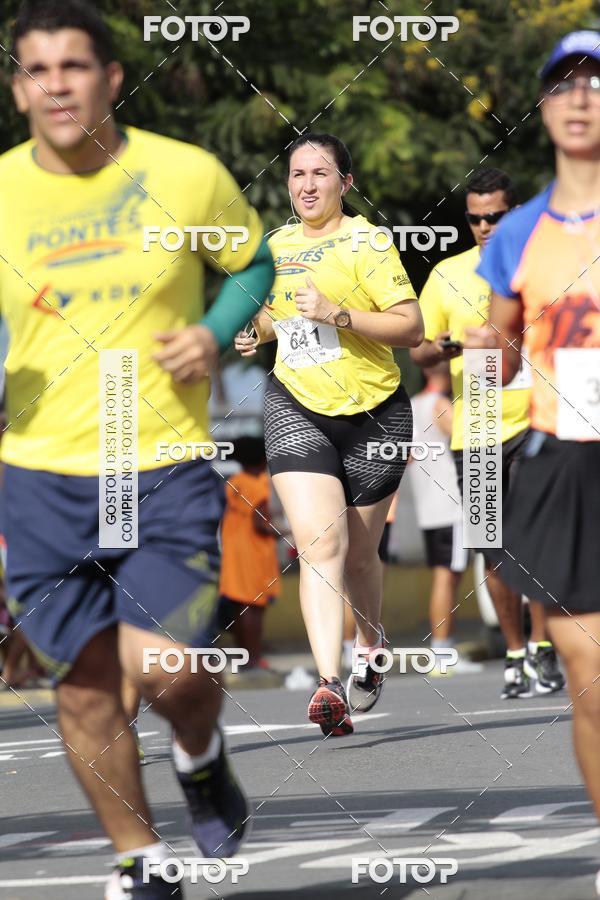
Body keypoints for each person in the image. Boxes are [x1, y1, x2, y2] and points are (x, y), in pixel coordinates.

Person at [1, 2, 274, 898]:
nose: (56, 86)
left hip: (155, 458)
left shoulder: (185, 174)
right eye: (36, 71)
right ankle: (142, 860)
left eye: (73, 67)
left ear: (111, 78)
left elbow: (254, 263)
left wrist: (213, 331)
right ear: (17, 90)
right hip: (40, 473)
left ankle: (200, 751)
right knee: (82, 687)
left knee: (169, 667)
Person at [235, 132, 423, 736]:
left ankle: (370, 646)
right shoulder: (276, 245)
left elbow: (411, 327)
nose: (307, 185)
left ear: (345, 183)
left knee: (362, 555)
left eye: (320, 173)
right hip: (297, 405)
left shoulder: (367, 241)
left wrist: (337, 314)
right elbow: (273, 314)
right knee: (320, 546)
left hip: (374, 413)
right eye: (296, 174)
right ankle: (326, 684)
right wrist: (256, 331)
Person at [475, 30, 600, 896]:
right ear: (545, 107)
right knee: (589, 677)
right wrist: (490, 348)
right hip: (564, 462)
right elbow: (506, 349)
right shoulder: (514, 234)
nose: (582, 99)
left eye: (597, 83)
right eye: (565, 84)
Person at [410, 168, 564, 699]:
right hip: (475, 434)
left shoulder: (541, 265)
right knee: (493, 550)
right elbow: (418, 349)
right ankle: (516, 651)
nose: (484, 226)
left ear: (514, 212)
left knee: (538, 541)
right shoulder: (447, 275)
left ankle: (544, 647)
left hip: (538, 420)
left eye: (494, 216)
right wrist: (451, 346)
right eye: (475, 218)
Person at [404, 364, 481, 675]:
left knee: (443, 576)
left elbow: (407, 456)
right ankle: (442, 653)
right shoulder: (440, 404)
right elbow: (469, 437)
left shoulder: (411, 405)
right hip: (452, 503)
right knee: (448, 578)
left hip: (429, 505)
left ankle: (441, 652)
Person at [215, 436, 280, 668]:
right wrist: (281, 531)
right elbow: (260, 523)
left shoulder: (234, 481)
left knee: (240, 606)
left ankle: (245, 655)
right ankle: (253, 657)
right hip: (254, 551)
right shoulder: (259, 484)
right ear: (263, 458)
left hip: (234, 549)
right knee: (255, 606)